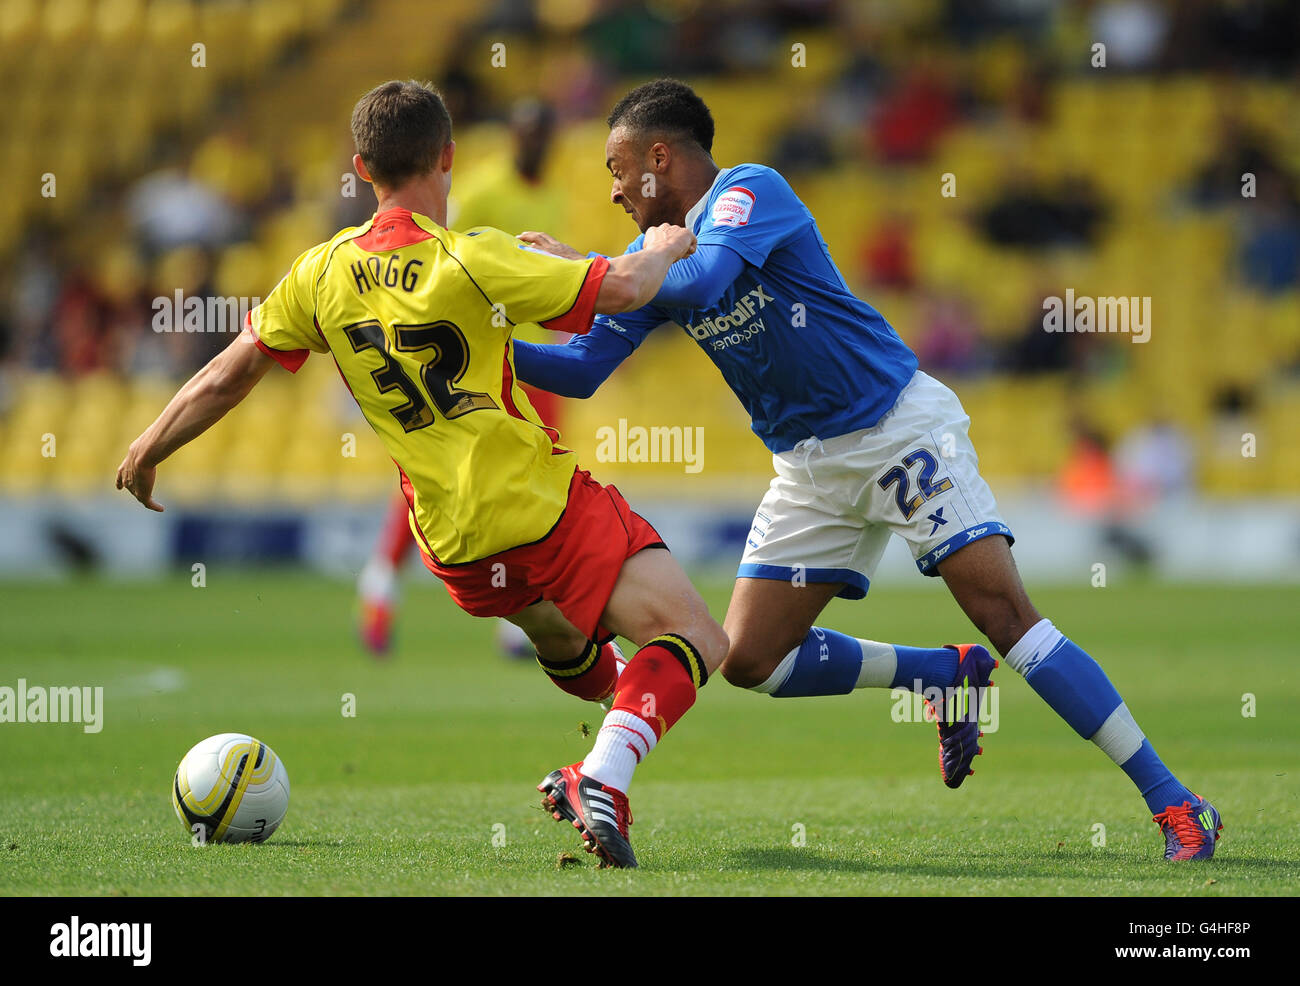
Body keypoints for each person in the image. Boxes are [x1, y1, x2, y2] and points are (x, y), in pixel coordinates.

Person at [512, 79, 1221, 861]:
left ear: (659, 155)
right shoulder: (651, 268)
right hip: (809, 467)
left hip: (897, 430)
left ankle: (1177, 802)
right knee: (748, 659)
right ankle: (940, 677)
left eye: (617, 169)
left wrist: (593, 266)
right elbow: (579, 372)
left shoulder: (748, 192)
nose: (613, 190)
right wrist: (486, 354)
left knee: (1003, 615)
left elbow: (708, 280)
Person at [116, 80, 729, 869]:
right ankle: (604, 772)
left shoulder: (319, 272)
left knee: (565, 641)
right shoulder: (472, 257)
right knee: (697, 640)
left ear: (362, 166)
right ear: (448, 156)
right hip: (536, 505)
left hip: (453, 547)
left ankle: (619, 717)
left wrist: (148, 446)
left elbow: (227, 376)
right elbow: (626, 290)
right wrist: (667, 244)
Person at [357, 99, 570, 656]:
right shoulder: (477, 189)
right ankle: (383, 575)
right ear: (512, 136)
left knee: (536, 469)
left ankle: (518, 615)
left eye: (543, 136)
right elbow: (433, 256)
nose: (535, 144)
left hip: (534, 360)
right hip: (475, 357)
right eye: (527, 133)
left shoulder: (553, 196)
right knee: (447, 472)